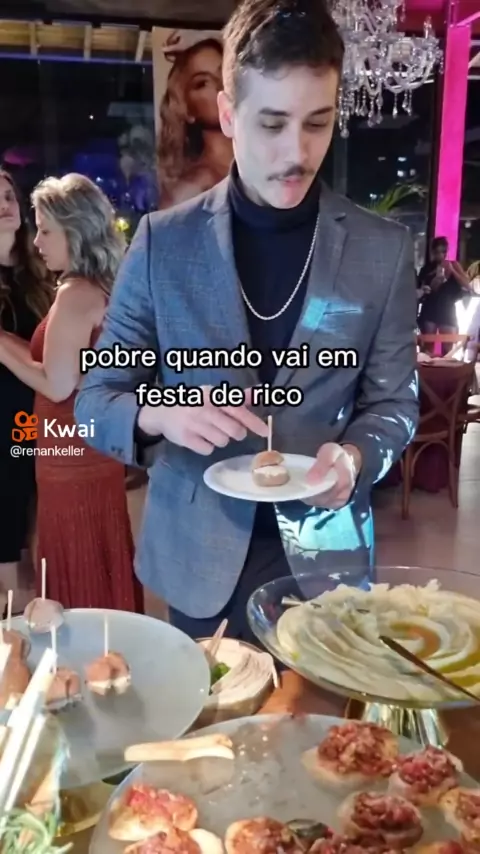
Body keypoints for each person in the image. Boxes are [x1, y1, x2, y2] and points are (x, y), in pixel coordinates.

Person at [75, 0, 419, 643]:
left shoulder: (383, 250)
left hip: (326, 557)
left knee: (324, 712)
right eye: (272, 123)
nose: (298, 152)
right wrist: (159, 413)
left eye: (317, 123)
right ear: (229, 115)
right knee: (215, 710)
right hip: (198, 558)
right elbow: (97, 399)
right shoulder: (162, 243)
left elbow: (394, 403)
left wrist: (355, 458)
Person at [0, 173, 143, 613]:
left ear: (74, 230)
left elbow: (55, 383)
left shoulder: (75, 293)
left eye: (46, 231)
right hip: (89, 450)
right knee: (97, 558)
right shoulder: (100, 285)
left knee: (77, 563)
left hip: (70, 455)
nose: (36, 241)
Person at [0, 169, 53, 601]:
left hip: (42, 415)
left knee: (39, 523)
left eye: (8, 196)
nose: (4, 205)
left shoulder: (40, 273)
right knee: (7, 523)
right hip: (4, 421)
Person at [157, 34, 233, 208]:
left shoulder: (259, 166)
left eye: (223, 73)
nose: (220, 85)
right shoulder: (192, 189)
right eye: (202, 83)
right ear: (186, 109)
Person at [417, 236, 471, 350]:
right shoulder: (427, 268)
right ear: (433, 252)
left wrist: (452, 271)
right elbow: (427, 290)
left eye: (443, 252)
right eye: (437, 252)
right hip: (430, 308)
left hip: (447, 308)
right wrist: (437, 278)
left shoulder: (454, 265)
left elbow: (467, 285)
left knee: (448, 347)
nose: (441, 255)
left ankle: (446, 361)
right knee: (428, 346)